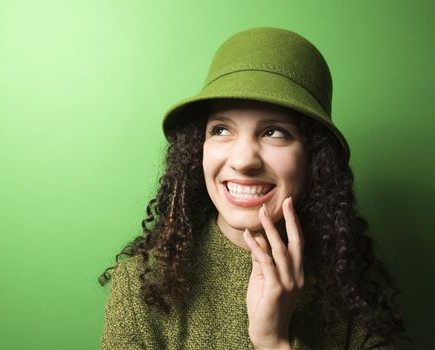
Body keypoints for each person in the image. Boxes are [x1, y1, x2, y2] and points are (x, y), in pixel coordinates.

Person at [99, 27, 405, 349]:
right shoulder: (142, 286)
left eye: (274, 132)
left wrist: (274, 342)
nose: (244, 161)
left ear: (315, 158)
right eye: (220, 129)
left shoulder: (353, 293)